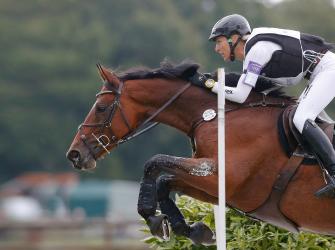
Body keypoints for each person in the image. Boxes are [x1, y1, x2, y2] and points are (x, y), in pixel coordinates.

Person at [191, 14, 335, 196]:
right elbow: (263, 87)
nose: (217, 48)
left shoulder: (256, 51)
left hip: (327, 69)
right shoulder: (255, 50)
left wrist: (209, 85)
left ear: (234, 38)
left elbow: (241, 95)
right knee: (313, 119)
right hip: (319, 73)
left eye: (219, 41)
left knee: (301, 118)